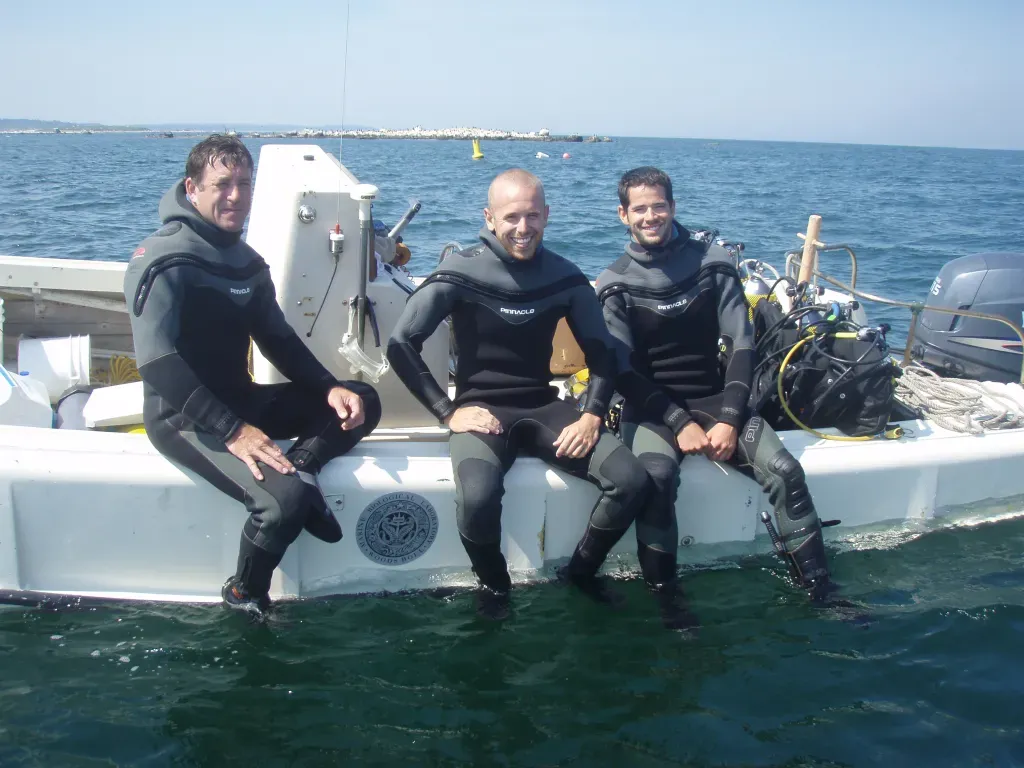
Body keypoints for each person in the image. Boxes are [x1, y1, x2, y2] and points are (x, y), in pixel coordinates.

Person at [124, 134, 381, 616]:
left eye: (245, 183)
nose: (236, 196)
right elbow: (156, 362)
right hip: (185, 419)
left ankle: (303, 469)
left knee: (363, 399)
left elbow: (279, 342)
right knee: (279, 506)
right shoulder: (163, 259)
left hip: (241, 402)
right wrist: (233, 432)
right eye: (222, 184)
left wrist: (331, 389)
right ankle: (245, 593)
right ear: (192, 188)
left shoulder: (246, 262)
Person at [387, 169, 649, 616]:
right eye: (511, 217)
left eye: (532, 216)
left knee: (631, 479)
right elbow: (400, 343)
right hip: (479, 410)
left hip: (543, 404)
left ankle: (582, 573)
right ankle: (494, 587)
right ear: (490, 218)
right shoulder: (460, 271)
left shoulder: (564, 276)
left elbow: (603, 353)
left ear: (547, 215)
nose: (522, 228)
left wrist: (590, 414)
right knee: (478, 497)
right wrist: (447, 411)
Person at [596, 166, 831, 608]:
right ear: (622, 215)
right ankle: (669, 603)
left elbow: (742, 344)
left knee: (785, 471)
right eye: (640, 209)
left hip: (716, 396)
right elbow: (623, 371)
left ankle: (821, 590)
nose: (651, 217)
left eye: (659, 206)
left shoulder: (713, 263)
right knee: (658, 479)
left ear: (673, 207)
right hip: (651, 408)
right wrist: (678, 421)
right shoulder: (615, 283)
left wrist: (729, 418)